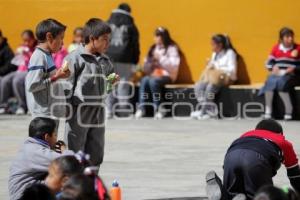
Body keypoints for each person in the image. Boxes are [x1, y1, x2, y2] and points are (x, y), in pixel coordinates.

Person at [206, 119, 300, 200]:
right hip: (256, 159)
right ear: (280, 133)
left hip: (231, 157)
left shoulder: (245, 135)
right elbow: (294, 175)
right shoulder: (282, 141)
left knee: (233, 195)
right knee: (261, 196)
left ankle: (222, 196)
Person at [64, 18, 114, 168]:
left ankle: (92, 184)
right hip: (79, 111)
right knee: (74, 150)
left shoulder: (105, 61)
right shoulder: (75, 58)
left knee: (96, 150)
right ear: (92, 39)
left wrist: (111, 83)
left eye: (109, 39)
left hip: (98, 110)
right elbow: (66, 86)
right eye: (104, 39)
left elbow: (107, 87)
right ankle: (73, 186)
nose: (108, 43)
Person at [8, 117, 73, 200]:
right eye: (55, 135)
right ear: (47, 137)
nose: (56, 139)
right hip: (24, 196)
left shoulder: (29, 147)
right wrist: (64, 149)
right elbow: (71, 161)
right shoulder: (36, 151)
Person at [25, 18, 70, 119]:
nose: (62, 43)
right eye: (61, 38)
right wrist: (56, 77)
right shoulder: (39, 57)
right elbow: (32, 86)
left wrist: (60, 75)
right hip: (43, 115)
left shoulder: (47, 55)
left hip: (50, 113)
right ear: (49, 37)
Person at [135, 27, 180, 119]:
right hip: (153, 74)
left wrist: (160, 58)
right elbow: (146, 65)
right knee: (144, 80)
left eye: (159, 36)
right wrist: (150, 64)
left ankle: (160, 108)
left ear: (165, 37)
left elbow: (174, 66)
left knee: (153, 82)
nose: (157, 38)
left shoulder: (172, 48)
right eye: (156, 36)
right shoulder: (152, 48)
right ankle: (142, 108)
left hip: (167, 75)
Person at [105, 3, 140, 118]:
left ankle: (108, 110)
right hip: (126, 58)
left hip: (109, 56)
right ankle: (123, 110)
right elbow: (135, 43)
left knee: (109, 82)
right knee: (123, 83)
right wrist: (135, 60)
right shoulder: (131, 25)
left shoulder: (108, 22)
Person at [191, 34, 238, 120]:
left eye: (213, 44)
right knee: (198, 86)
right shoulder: (214, 54)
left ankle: (206, 111)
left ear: (220, 45)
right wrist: (209, 65)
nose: (212, 47)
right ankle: (207, 109)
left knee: (210, 87)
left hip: (226, 78)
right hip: (214, 78)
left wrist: (216, 66)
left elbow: (232, 70)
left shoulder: (230, 53)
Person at [259, 27, 300, 120]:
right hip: (278, 74)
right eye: (287, 36)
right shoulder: (276, 48)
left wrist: (294, 68)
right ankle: (268, 111)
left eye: (291, 36)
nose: (290, 38)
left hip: (293, 75)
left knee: (282, 83)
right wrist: (272, 68)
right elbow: (269, 62)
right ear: (282, 38)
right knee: (269, 82)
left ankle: (289, 109)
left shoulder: (298, 48)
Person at [0, 29, 37, 115]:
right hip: (19, 70)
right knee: (5, 80)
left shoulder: (37, 48)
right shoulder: (22, 47)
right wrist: (18, 54)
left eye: (28, 41)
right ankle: (3, 105)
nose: (26, 43)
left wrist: (28, 54)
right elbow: (15, 63)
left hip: (29, 71)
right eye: (24, 41)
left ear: (33, 39)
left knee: (16, 80)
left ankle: (22, 106)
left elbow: (35, 61)